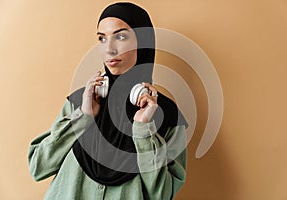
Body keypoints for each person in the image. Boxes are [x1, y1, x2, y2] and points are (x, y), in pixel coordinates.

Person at [28, 2, 188, 200]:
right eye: (102, 39)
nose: (109, 49)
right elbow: (38, 168)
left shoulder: (166, 116)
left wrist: (142, 131)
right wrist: (83, 117)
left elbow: (162, 195)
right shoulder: (82, 102)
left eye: (120, 36)